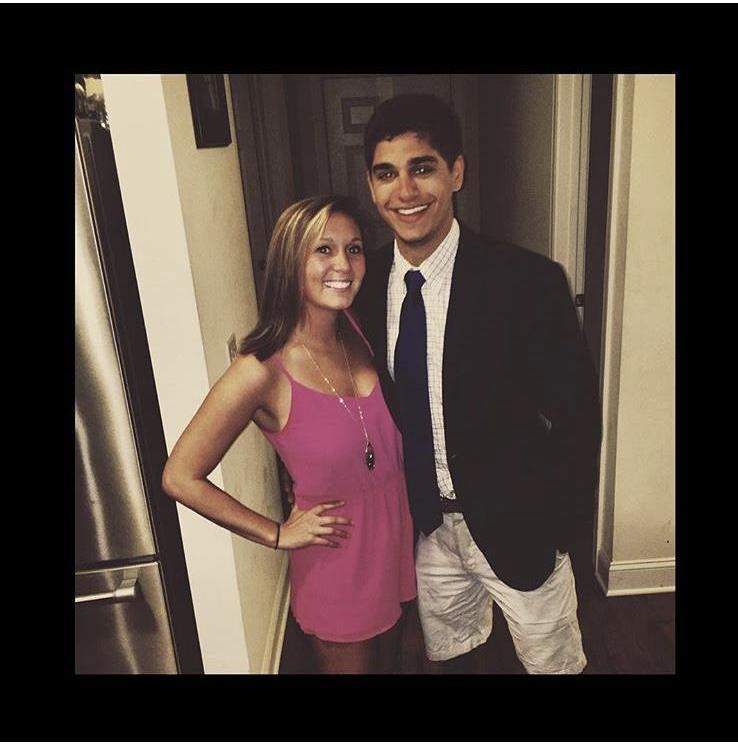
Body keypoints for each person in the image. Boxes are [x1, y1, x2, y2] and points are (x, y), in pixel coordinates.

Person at [353, 93, 602, 674]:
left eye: (422, 168)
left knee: (553, 663)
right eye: (387, 174)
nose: (405, 191)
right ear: (371, 185)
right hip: (426, 527)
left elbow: (577, 414)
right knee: (455, 656)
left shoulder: (527, 281)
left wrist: (559, 526)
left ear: (456, 172)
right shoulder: (363, 287)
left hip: (518, 523)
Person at [162, 195, 416, 674]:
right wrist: (276, 533)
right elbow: (179, 476)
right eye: (323, 249)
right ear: (290, 262)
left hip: (394, 540)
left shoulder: (357, 328)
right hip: (337, 561)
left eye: (354, 249)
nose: (343, 265)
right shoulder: (260, 370)